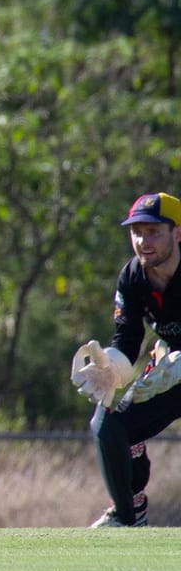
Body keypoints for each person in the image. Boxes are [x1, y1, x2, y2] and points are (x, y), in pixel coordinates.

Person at [73, 192, 181, 527]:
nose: (143, 241)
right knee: (110, 424)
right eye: (136, 232)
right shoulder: (133, 277)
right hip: (171, 370)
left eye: (153, 232)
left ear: (177, 232)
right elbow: (127, 338)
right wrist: (111, 368)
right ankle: (128, 515)